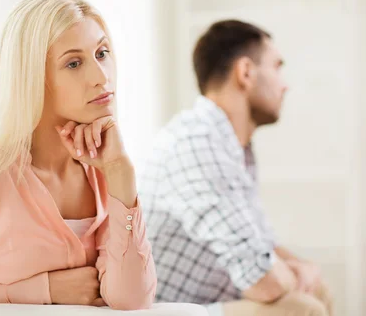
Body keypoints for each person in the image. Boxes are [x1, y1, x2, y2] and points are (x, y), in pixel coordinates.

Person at [0, 0, 156, 310]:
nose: (101, 77)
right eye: (74, 63)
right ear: (31, 77)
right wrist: (43, 290)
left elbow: (131, 300)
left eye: (102, 53)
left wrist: (122, 175)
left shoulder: (104, 170)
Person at [138, 20, 333, 315]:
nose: (285, 84)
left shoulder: (232, 146)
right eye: (277, 67)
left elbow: (262, 242)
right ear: (245, 73)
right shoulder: (197, 143)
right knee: (301, 309)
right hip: (174, 308)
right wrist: (297, 275)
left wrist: (304, 269)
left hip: (215, 297)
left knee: (317, 290)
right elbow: (262, 280)